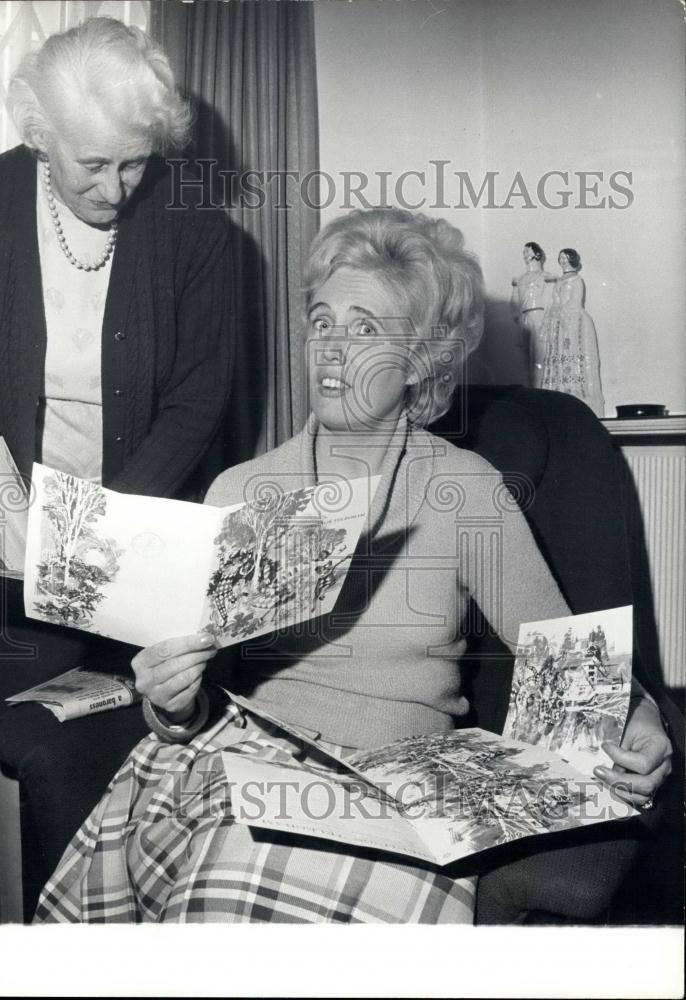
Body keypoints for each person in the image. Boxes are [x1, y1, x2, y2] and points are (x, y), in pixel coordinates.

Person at [35, 209, 671, 924]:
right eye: (322, 321)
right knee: (234, 861)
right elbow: (193, 698)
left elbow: (567, 661)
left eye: (366, 328)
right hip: (238, 765)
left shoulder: (464, 491)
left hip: (394, 786)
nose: (332, 349)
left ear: (423, 358)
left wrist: (640, 716)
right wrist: (170, 703)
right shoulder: (241, 491)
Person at [0, 21, 233, 777]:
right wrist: (22, 529)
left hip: (146, 535)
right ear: (38, 134)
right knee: (35, 747)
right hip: (11, 543)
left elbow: (197, 404)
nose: (116, 188)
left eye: (135, 164)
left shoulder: (198, 229)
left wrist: (100, 536)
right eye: (92, 164)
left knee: (151, 749)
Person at [540, 248, 604, 416]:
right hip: (559, 322)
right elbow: (555, 300)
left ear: (571, 259)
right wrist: (554, 314)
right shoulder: (558, 281)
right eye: (560, 258)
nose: (562, 260)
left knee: (574, 352)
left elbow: (575, 302)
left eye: (565, 257)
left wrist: (562, 312)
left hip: (574, 321)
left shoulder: (577, 280)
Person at [510, 241, 557, 386]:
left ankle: (539, 390)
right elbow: (513, 302)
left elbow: (552, 299)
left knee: (539, 357)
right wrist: (516, 316)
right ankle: (530, 390)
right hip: (524, 317)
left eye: (528, 251)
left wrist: (547, 320)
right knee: (524, 357)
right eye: (524, 252)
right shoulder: (520, 279)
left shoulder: (546, 276)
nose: (525, 255)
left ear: (537, 254)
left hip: (539, 315)